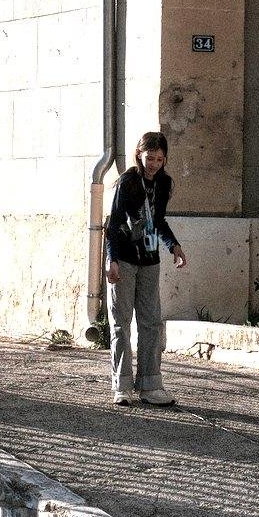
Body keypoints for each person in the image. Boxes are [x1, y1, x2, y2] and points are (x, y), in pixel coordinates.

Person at [104, 131, 187, 405]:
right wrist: (112, 259)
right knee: (121, 324)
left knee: (151, 323)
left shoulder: (164, 183)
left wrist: (173, 246)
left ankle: (151, 385)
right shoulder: (127, 182)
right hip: (125, 261)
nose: (154, 164)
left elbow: (159, 221)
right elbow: (114, 223)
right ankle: (122, 386)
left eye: (160, 159)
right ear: (139, 154)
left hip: (150, 261)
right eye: (150, 158)